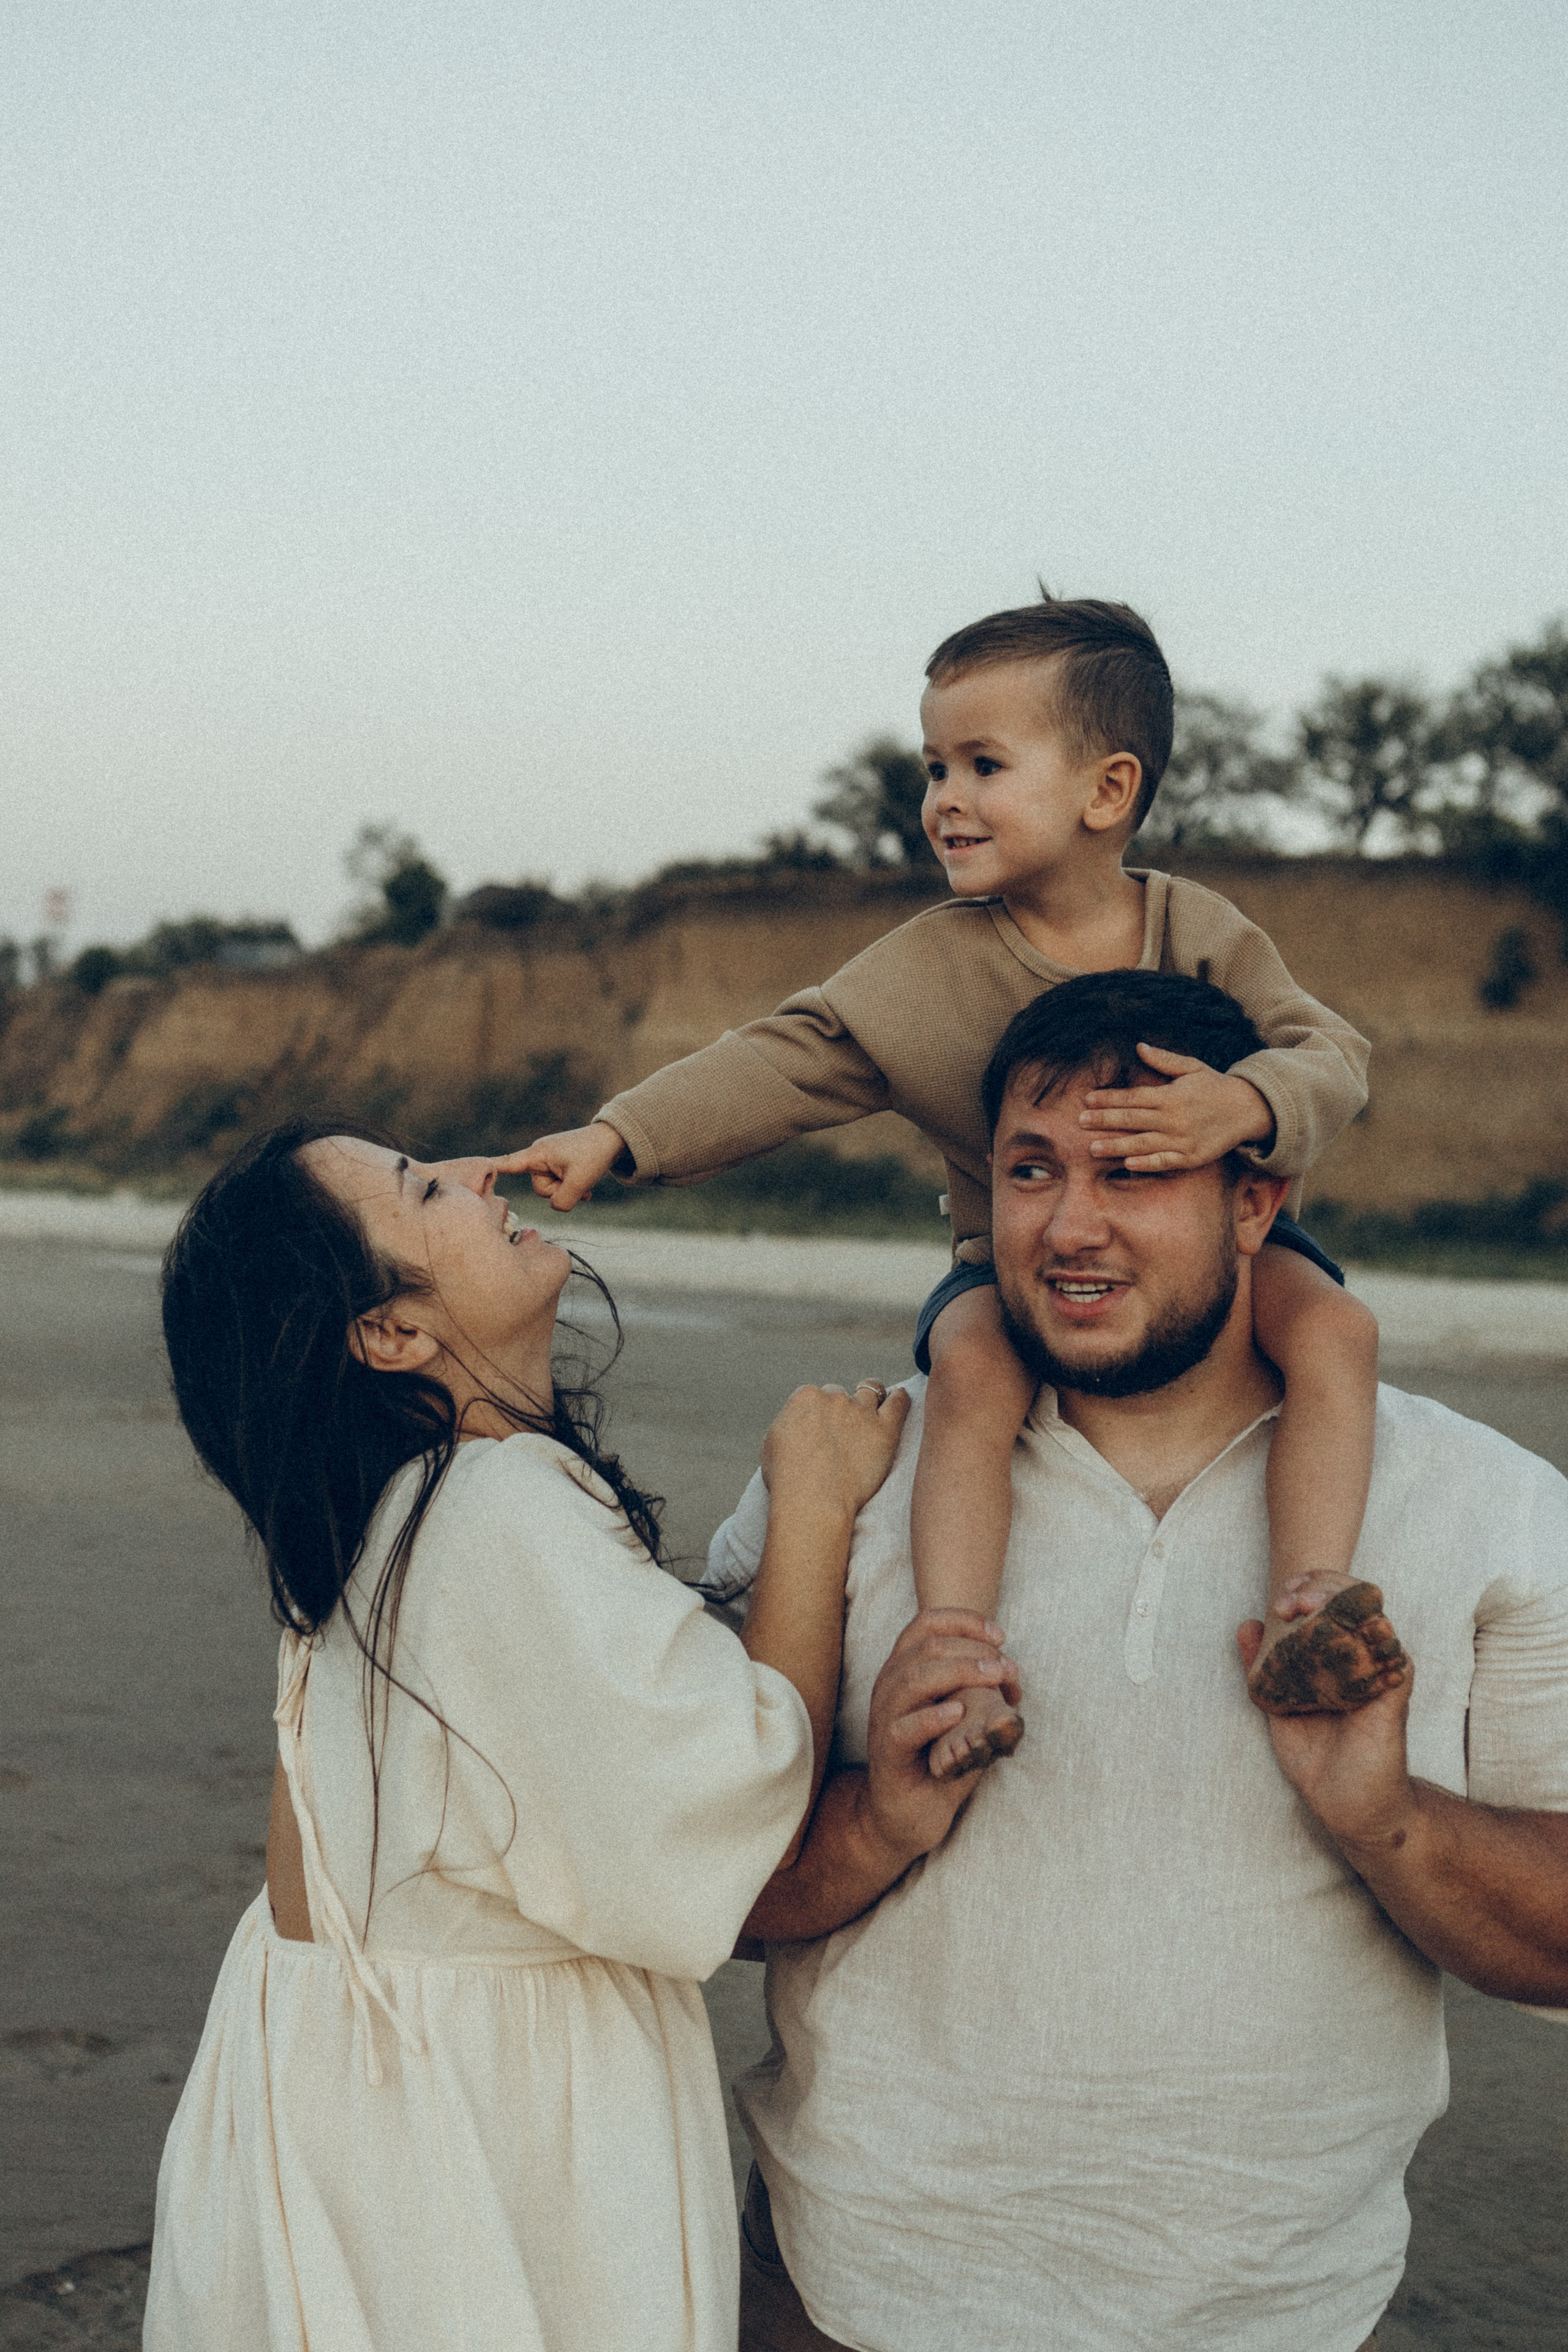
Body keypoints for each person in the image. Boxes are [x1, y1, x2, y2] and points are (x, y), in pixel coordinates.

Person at [709, 970, 1568, 2352]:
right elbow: (705, 1893)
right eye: (1030, 1170)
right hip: (843, 2294)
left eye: (1135, 1170)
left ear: (1255, 1201)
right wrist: (876, 1819)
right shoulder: (843, 1482)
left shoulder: (1489, 1503)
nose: (1067, 1225)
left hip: (1277, 2317)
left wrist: (1383, 1816)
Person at [505, 594, 1384, 1779]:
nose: (944, 799)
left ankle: (1310, 1606)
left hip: (1217, 1255)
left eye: (983, 763)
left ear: (1107, 791)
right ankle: (956, 1647)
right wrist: (622, 1137)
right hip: (1005, 1269)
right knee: (970, 1371)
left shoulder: (1200, 928)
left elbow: (1332, 1055)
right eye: (933, 768)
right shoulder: (930, 966)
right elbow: (790, 1054)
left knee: (1334, 1327)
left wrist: (1250, 1104)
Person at [141, 1117, 935, 2352]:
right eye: (422, 1187)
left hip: (357, 2096)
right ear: (393, 1333)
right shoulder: (490, 1511)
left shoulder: (387, 1525)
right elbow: (736, 1804)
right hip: (463, 2134)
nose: (477, 1176)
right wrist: (814, 1502)